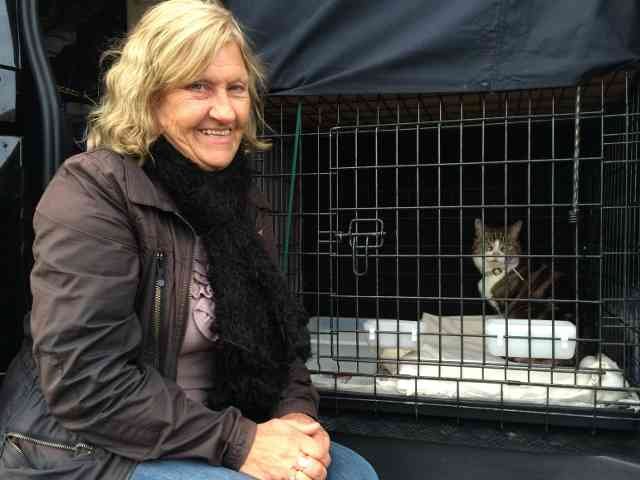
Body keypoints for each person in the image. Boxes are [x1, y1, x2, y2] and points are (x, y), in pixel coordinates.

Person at [0, 1, 379, 479]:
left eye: (236, 88)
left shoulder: (240, 203)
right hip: (91, 447)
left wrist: (295, 421)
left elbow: (280, 351)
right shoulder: (94, 192)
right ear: (150, 97)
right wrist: (243, 443)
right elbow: (85, 381)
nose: (224, 110)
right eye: (198, 86)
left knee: (353, 473)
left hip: (215, 431)